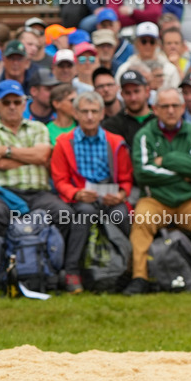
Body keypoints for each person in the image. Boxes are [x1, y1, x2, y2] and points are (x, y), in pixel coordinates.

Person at [0, 80, 85, 293]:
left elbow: (43, 155)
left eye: (16, 102)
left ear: (24, 104)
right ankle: (2, 270)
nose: (12, 106)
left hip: (38, 192)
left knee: (64, 214)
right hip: (3, 193)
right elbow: (0, 164)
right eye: (6, 102)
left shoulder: (38, 127)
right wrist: (31, 157)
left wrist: (6, 151)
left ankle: (52, 270)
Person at [122, 88, 191, 295]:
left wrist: (166, 160)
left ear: (183, 108)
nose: (170, 110)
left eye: (175, 105)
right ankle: (139, 277)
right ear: (155, 109)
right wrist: (182, 174)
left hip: (189, 199)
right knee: (142, 218)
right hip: (156, 199)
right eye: (165, 106)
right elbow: (143, 173)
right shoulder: (145, 135)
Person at [49, 90, 133, 263]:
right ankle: (72, 268)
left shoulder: (116, 142)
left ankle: (130, 264)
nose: (89, 117)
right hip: (80, 196)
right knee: (85, 213)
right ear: (76, 114)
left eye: (94, 111)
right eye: (84, 111)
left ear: (102, 114)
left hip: (110, 196)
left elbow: (126, 178)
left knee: (122, 214)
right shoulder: (64, 142)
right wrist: (76, 193)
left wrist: (121, 194)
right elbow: (60, 180)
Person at [103, 68, 154, 146]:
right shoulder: (112, 125)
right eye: (127, 93)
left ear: (147, 91)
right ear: (121, 94)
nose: (133, 98)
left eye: (136, 91)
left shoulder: (159, 120)